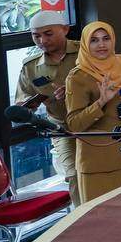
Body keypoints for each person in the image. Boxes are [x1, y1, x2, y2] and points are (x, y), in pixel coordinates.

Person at [65, 21, 121, 202]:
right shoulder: (78, 76)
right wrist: (101, 102)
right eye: (94, 40)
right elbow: (74, 124)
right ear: (85, 44)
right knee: (102, 221)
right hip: (98, 161)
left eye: (106, 39)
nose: (102, 45)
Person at [15, 11, 81, 205]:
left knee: (102, 174)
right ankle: (83, 223)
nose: (42, 40)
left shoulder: (86, 51)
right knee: (74, 175)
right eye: (36, 36)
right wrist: (27, 106)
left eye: (48, 33)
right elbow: (22, 100)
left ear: (65, 29)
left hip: (96, 125)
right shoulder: (31, 66)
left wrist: (74, 91)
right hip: (63, 130)